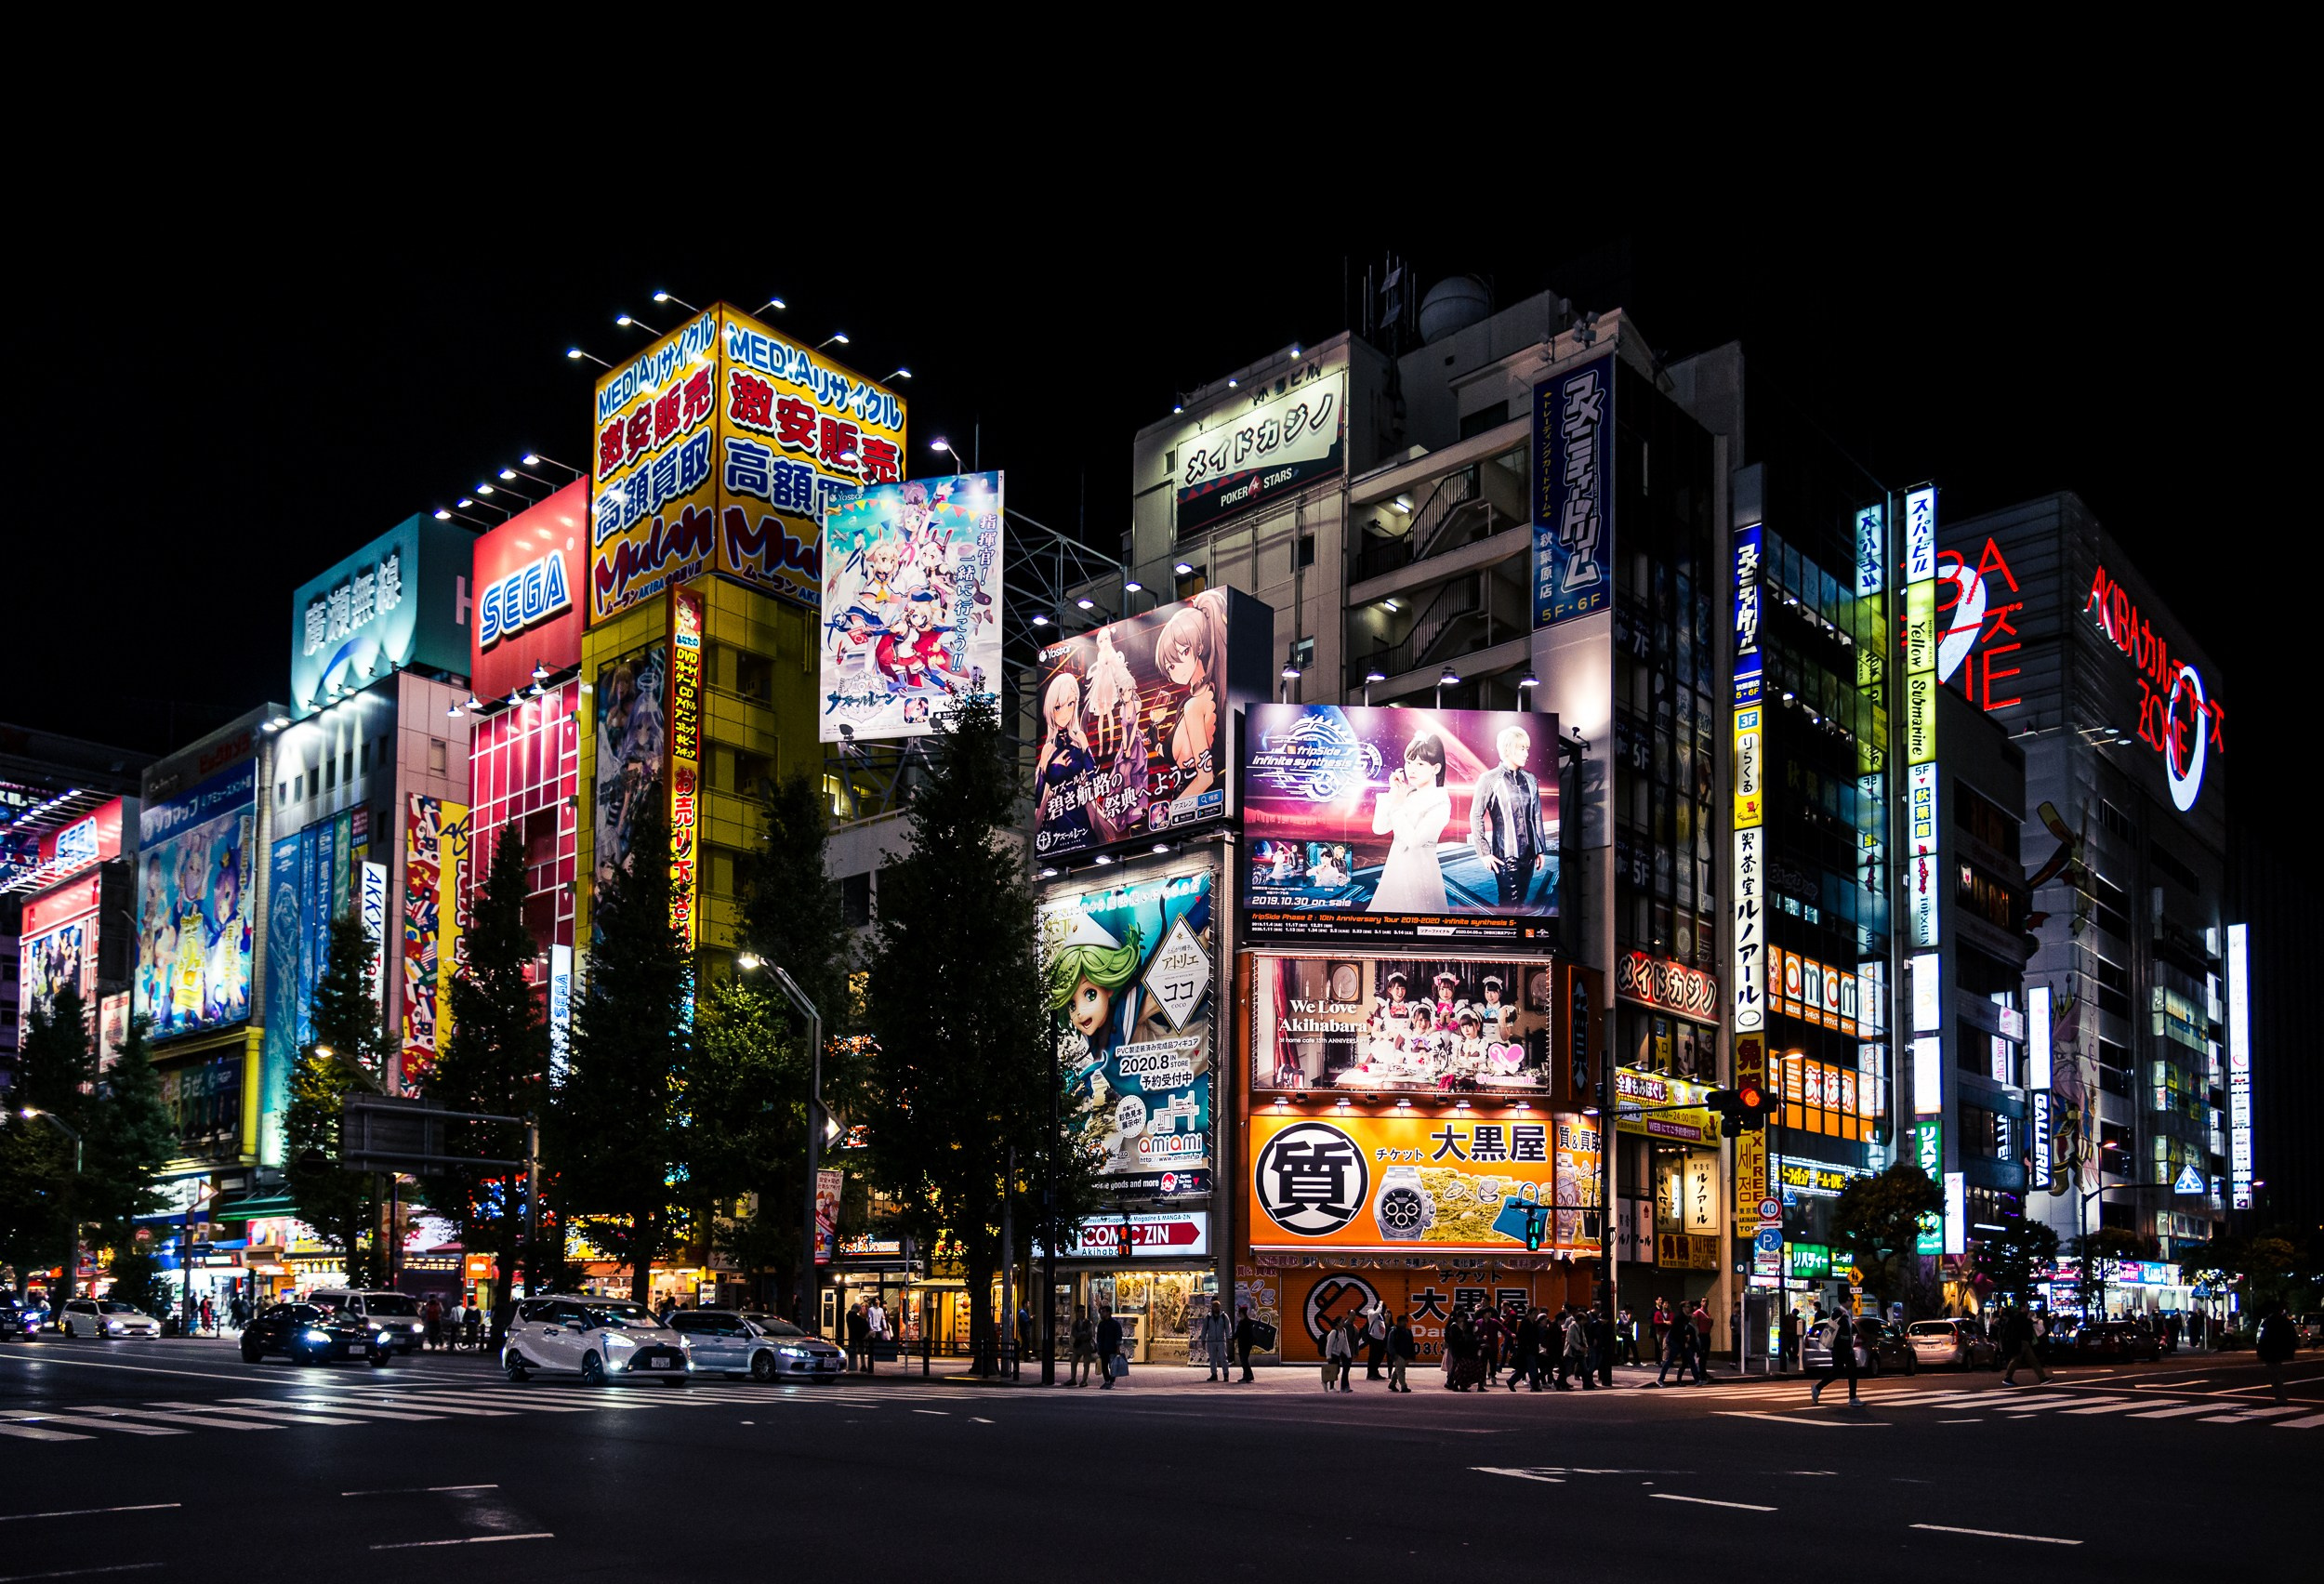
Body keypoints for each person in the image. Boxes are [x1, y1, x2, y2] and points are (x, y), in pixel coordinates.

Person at [1469, 723, 1552, 908]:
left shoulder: (1531, 779)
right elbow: (1476, 815)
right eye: (1521, 748)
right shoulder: (1490, 779)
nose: (1526, 753)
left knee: (1520, 904)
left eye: (1526, 748)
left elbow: (1536, 814)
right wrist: (1483, 853)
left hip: (1529, 853)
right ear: (1507, 749)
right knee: (1509, 907)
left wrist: (1539, 849)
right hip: (1506, 856)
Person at [1367, 732, 1452, 915]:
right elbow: (1380, 828)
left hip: (1420, 871)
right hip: (1395, 869)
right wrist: (1393, 794)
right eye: (1409, 762)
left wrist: (1397, 805)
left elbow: (1413, 841)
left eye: (1420, 764)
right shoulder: (1407, 794)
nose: (1411, 769)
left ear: (1435, 768)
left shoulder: (1440, 803)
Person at [1811, 1311, 1865, 1405]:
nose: (1852, 1302)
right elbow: (1843, 1335)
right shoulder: (1842, 1317)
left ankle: (1817, 1388)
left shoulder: (1838, 1316)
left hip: (1837, 1349)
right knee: (1851, 1371)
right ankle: (1852, 1398)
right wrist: (1848, 1347)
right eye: (1850, 1300)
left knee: (1838, 1371)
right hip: (1843, 1349)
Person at [2255, 1302, 2297, 1406]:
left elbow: (2262, 1338)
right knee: (2277, 1374)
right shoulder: (2285, 1321)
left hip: (2270, 1352)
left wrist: (2260, 1352)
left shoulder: (2267, 1322)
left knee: (2275, 1376)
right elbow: (2293, 1336)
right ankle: (2280, 1397)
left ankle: (2280, 1398)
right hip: (2281, 1351)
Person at [2000, 1304, 2049, 1385]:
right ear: (2022, 1308)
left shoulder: (2020, 1316)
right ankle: (2007, 1377)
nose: (2028, 1308)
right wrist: (2028, 1319)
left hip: (2024, 1341)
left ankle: (2043, 1378)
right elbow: (2022, 1328)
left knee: (2032, 1360)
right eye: (2027, 1307)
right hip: (2021, 1341)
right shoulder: (2020, 1316)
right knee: (2017, 1359)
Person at [1654, 1305, 1695, 1388]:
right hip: (1675, 1342)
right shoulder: (1679, 1318)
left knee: (1688, 1361)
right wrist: (1684, 1340)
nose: (1689, 1308)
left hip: (1680, 1342)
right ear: (1683, 1308)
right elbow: (1677, 1332)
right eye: (1687, 1307)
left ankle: (1693, 1380)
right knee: (1670, 1361)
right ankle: (1660, 1379)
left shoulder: (1684, 1317)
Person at [1509, 1308, 1541, 1393]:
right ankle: (1534, 1385)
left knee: (1524, 1368)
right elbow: (1521, 1337)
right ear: (1530, 1314)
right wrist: (1526, 1347)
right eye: (1535, 1314)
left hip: (1532, 1349)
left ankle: (1511, 1381)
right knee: (1532, 1368)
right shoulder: (1525, 1323)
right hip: (1526, 1350)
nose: (1536, 1316)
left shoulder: (1534, 1324)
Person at [1202, 1300, 1230, 1383]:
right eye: (1215, 1306)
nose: (1216, 1308)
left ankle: (1226, 1375)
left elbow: (1228, 1328)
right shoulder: (1208, 1317)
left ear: (1219, 1307)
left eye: (1217, 1306)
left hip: (1221, 1340)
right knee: (1212, 1359)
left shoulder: (1224, 1316)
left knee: (1223, 1358)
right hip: (1211, 1341)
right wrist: (1203, 1339)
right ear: (1212, 1307)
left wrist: (1229, 1338)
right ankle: (1214, 1374)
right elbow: (1204, 1329)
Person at [1096, 1305, 1123, 1389]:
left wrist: (1118, 1348)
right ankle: (1107, 1381)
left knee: (1113, 1366)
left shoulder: (1115, 1324)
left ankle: (1111, 1382)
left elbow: (1118, 1336)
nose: (1102, 1313)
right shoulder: (1101, 1324)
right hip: (1103, 1348)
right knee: (1104, 1366)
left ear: (1108, 1313)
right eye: (1101, 1312)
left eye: (1103, 1311)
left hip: (1112, 1348)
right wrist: (1098, 1347)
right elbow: (1099, 1337)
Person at [1388, 1312, 1416, 1393]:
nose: (1405, 1323)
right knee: (1401, 1370)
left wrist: (1411, 1356)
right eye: (1404, 1321)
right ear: (1399, 1322)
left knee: (1398, 1370)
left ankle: (1392, 1384)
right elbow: (1390, 1344)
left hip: (1404, 1355)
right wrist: (1394, 1355)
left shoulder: (1408, 1332)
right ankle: (1403, 1386)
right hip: (1397, 1354)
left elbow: (1411, 1344)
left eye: (1406, 1321)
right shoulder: (1394, 1331)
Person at [1069, 1305, 1097, 1386]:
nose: (1083, 1313)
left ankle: (1084, 1380)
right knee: (1073, 1362)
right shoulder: (1075, 1323)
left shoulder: (1089, 1323)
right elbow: (1074, 1333)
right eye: (1081, 1311)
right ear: (1077, 1313)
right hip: (1078, 1345)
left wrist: (1080, 1335)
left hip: (1086, 1345)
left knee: (1086, 1363)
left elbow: (1090, 1334)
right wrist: (1082, 1334)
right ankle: (1073, 1378)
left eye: (1084, 1311)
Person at [1233, 1302, 1258, 1384]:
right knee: (1244, 1360)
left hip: (1246, 1344)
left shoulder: (1247, 1323)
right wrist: (1232, 1339)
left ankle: (1249, 1376)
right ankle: (1246, 1376)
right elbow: (1237, 1333)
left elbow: (1250, 1334)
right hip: (1242, 1344)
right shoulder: (1241, 1322)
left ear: (1242, 1313)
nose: (1238, 1314)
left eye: (1239, 1312)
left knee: (1244, 1360)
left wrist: (1233, 1338)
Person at [1365, 1302, 1388, 1380]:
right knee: (1373, 1357)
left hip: (1380, 1339)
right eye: (1382, 1309)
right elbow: (1376, 1313)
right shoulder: (1371, 1313)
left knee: (1379, 1356)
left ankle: (1375, 1371)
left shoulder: (1380, 1315)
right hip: (1374, 1338)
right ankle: (1370, 1374)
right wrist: (1380, 1304)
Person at [844, 1300, 869, 1374]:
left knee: (852, 1351)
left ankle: (853, 1366)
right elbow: (864, 1324)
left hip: (852, 1335)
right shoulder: (856, 1317)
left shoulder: (848, 1315)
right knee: (861, 1350)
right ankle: (862, 1365)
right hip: (859, 1335)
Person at [1780, 1306, 1802, 1371]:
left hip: (1794, 1334)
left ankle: (1793, 1358)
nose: (1794, 1315)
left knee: (1795, 1347)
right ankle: (1792, 1357)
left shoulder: (1797, 1319)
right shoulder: (1786, 1318)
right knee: (1787, 1347)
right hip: (1788, 1334)